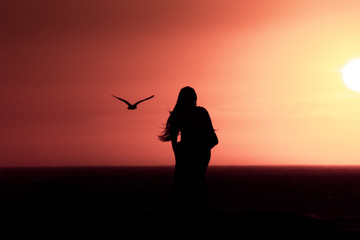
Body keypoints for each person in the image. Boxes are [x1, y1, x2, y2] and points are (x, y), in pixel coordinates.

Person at [159, 86, 218, 209]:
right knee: (191, 189)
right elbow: (214, 140)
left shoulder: (187, 115)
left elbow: (213, 140)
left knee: (188, 190)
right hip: (191, 157)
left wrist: (193, 150)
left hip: (192, 156)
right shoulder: (190, 114)